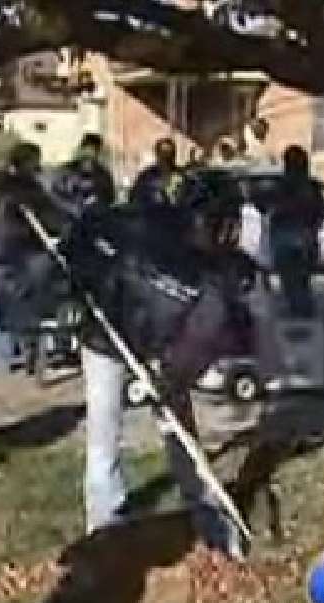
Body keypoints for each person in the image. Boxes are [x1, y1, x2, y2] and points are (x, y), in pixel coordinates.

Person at [61, 176, 256, 558]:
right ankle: (105, 533)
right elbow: (84, 234)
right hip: (107, 339)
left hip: (164, 355)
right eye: (220, 222)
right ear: (198, 217)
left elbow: (205, 338)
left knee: (181, 434)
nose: (226, 233)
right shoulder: (140, 224)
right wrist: (77, 281)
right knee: (104, 432)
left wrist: (166, 381)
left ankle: (210, 521)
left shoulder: (218, 275)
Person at [0, 142, 70, 372]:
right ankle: (36, 355)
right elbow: (53, 217)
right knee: (36, 295)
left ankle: (0, 362)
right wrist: (71, 225)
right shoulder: (25, 189)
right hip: (19, 253)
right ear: (28, 163)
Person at [258, 145, 324, 317]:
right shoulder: (312, 186)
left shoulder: (282, 185)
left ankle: (297, 322)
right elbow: (322, 211)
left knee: (290, 285)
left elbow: (263, 203)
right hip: (307, 240)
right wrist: (312, 228)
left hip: (286, 240)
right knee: (302, 284)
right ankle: (305, 320)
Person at [52, 133, 116, 217]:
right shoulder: (66, 170)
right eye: (87, 148)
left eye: (93, 150)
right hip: (70, 215)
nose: (89, 153)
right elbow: (56, 193)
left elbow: (109, 197)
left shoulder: (102, 174)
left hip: (91, 216)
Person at [129, 137, 187, 209]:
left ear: (174, 155)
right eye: (163, 153)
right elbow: (134, 197)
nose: (166, 157)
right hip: (151, 216)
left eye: (169, 153)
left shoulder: (182, 176)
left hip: (175, 217)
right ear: (157, 154)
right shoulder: (146, 176)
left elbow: (189, 200)